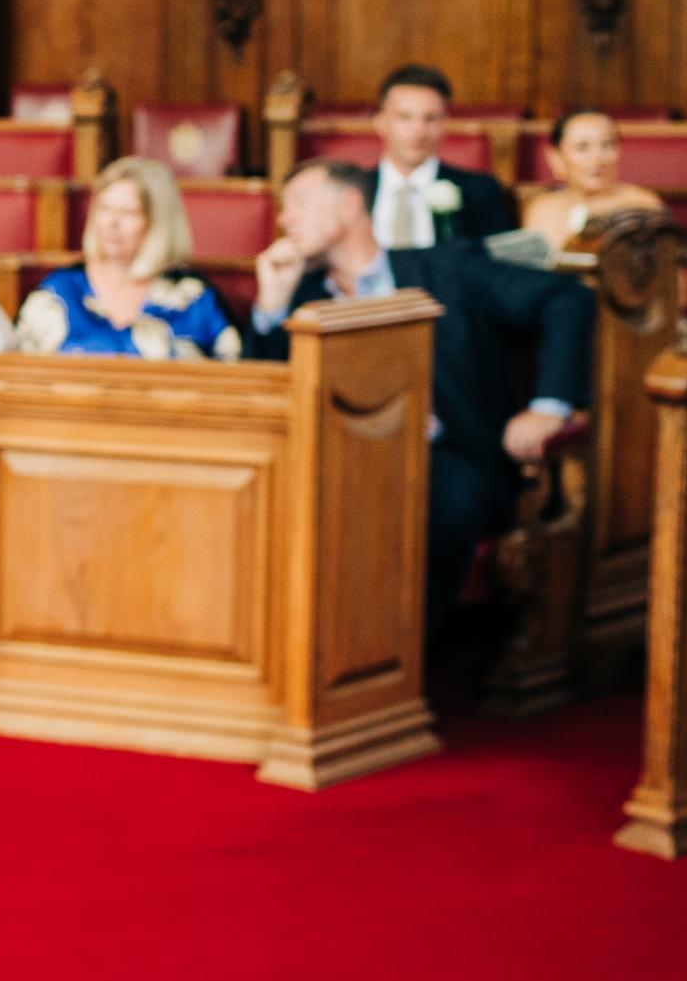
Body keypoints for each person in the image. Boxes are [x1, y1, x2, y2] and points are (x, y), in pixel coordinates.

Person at [246, 160, 592, 637]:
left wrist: (547, 406)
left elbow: (567, 299)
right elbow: (265, 387)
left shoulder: (444, 267)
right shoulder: (300, 293)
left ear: (349, 207)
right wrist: (271, 304)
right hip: (330, 457)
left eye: (299, 204)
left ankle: (396, 658)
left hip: (443, 453)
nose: (286, 221)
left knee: (436, 503)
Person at [17, 156, 239, 360]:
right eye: (104, 209)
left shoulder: (192, 299)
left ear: (158, 223)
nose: (112, 222)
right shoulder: (58, 292)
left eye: (128, 212)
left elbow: (237, 377)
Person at [363, 64, 518, 249]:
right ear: (380, 122)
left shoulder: (480, 190)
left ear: (445, 124)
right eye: (405, 117)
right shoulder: (354, 190)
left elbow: (500, 265)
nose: (419, 130)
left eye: (431, 118)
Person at [523, 109, 664, 253]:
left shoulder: (642, 205)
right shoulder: (542, 209)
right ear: (556, 158)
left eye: (607, 145)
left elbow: (671, 270)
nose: (597, 157)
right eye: (582, 147)